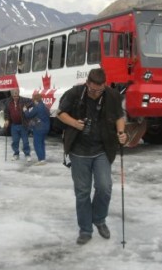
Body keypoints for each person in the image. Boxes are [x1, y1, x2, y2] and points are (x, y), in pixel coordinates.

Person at [57, 68, 127, 245]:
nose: (96, 93)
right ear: (87, 83)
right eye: (93, 90)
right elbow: (60, 113)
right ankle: (85, 229)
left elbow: (119, 116)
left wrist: (121, 132)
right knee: (82, 193)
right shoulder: (74, 93)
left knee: (104, 187)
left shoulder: (111, 95)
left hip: (102, 149)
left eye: (100, 90)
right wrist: (75, 124)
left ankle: (99, 219)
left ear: (105, 84)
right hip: (78, 151)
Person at [4, 89, 33, 162]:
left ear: (19, 94)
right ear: (12, 95)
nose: (16, 97)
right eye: (14, 96)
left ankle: (27, 154)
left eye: (17, 96)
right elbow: (6, 112)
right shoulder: (8, 102)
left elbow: (32, 101)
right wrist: (7, 120)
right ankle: (16, 154)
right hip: (14, 125)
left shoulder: (23, 100)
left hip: (23, 124)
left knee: (25, 141)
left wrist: (26, 106)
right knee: (15, 141)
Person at [23, 92, 51, 165]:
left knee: (37, 143)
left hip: (39, 128)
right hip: (46, 127)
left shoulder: (37, 107)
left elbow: (28, 115)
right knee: (42, 143)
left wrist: (25, 110)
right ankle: (42, 158)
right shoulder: (45, 106)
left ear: (35, 100)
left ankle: (41, 159)